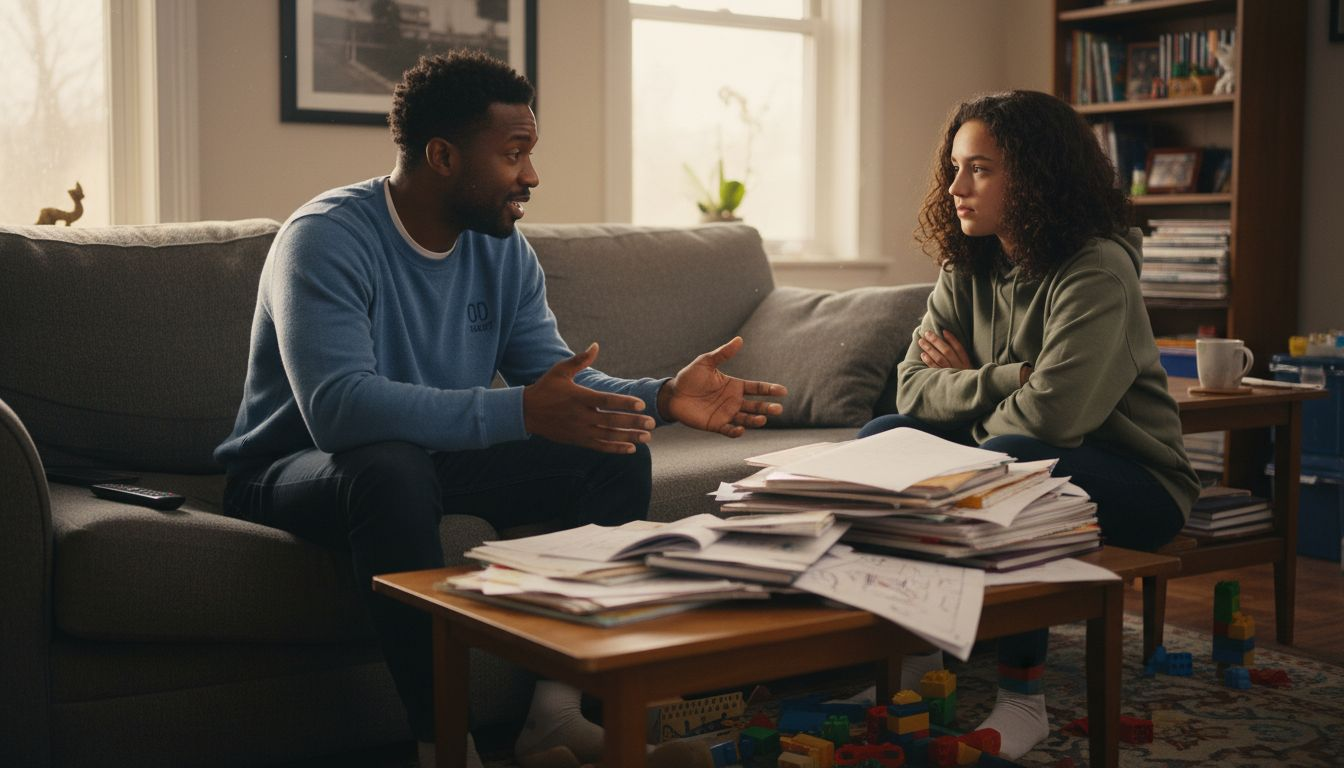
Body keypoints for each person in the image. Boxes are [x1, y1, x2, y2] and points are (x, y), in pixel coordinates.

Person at [214, 50, 786, 768]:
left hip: (427, 460)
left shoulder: (502, 250)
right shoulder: (326, 238)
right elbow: (339, 411)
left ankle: (553, 714)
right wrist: (517, 414)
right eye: (514, 154)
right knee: (388, 468)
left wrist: (663, 397)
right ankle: (443, 745)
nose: (532, 176)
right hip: (291, 471)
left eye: (531, 152)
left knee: (610, 446)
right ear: (444, 156)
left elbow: (555, 384)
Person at [861, 90, 1200, 759]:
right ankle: (911, 672)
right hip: (1026, 455)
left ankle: (1023, 699)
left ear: (1037, 177)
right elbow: (909, 385)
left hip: (1137, 483)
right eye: (956, 167)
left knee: (1014, 459)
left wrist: (965, 406)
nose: (957, 187)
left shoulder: (1097, 269)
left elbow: (1055, 416)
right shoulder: (965, 265)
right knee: (885, 440)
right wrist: (1010, 375)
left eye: (980, 169)